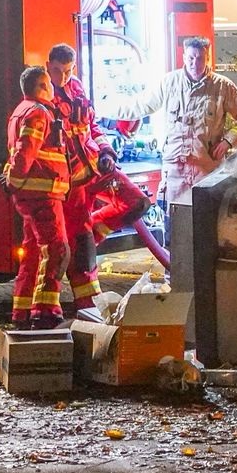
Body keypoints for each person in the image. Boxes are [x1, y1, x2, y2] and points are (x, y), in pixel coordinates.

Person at [101, 35, 237, 253]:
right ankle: (174, 277)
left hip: (207, 173)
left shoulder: (222, 87)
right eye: (191, 58)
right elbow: (141, 105)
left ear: (208, 57)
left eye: (200, 58)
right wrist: (101, 108)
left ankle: (206, 278)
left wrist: (228, 141)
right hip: (175, 174)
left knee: (207, 229)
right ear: (184, 57)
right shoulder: (170, 83)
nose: (195, 64)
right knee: (175, 231)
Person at [45, 42, 157, 308]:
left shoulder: (77, 88)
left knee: (137, 202)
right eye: (58, 71)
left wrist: (106, 151)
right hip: (71, 182)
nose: (63, 77)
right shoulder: (43, 96)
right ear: (48, 66)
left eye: (69, 70)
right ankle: (87, 305)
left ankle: (90, 233)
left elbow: (92, 126)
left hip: (97, 167)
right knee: (82, 246)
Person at [2, 65, 70, 328]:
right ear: (41, 88)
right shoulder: (38, 113)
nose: (53, 88)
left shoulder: (20, 110)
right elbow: (25, 151)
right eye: (49, 84)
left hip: (31, 195)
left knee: (32, 254)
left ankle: (22, 311)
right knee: (57, 250)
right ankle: (45, 312)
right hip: (43, 194)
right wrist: (15, 181)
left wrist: (14, 183)